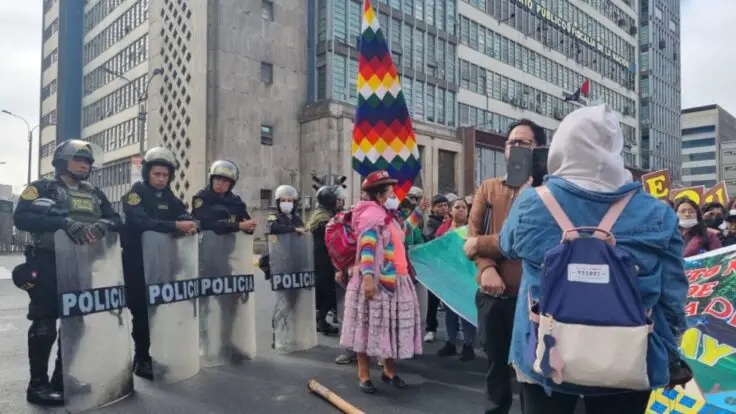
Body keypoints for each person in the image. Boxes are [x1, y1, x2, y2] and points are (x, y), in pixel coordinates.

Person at [498, 105, 689, 413]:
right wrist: (672, 344)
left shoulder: (531, 203)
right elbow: (673, 292)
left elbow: (507, 246)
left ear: (561, 147)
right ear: (615, 151)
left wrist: (525, 192)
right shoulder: (658, 213)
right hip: (628, 356)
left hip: (544, 352)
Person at [13, 140, 122, 406]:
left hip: (82, 263)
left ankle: (63, 379)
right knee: (45, 322)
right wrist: (62, 222)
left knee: (76, 322)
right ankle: (37, 386)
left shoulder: (95, 193)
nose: (84, 165)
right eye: (78, 160)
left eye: (87, 162)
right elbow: (22, 217)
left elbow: (118, 220)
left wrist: (103, 224)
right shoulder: (42, 188)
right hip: (47, 261)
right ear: (62, 162)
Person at [463, 118, 547, 414]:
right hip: (494, 295)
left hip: (537, 299)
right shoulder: (488, 188)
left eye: (523, 142)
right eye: (511, 142)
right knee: (495, 367)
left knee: (533, 372)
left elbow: (527, 240)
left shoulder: (548, 191)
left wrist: (480, 245)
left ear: (539, 149)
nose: (515, 147)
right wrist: (486, 268)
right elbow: (472, 236)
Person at [340, 170, 426, 393]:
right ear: (379, 196)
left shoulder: (389, 217)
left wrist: (419, 212)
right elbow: (367, 248)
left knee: (391, 329)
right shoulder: (372, 217)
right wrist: (368, 278)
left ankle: (389, 372)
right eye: (390, 192)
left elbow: (403, 233)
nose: (394, 196)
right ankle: (364, 375)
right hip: (377, 282)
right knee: (367, 328)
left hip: (397, 280)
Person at [121, 146, 198, 380]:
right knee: (142, 313)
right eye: (157, 174)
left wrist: (189, 224)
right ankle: (141, 358)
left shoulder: (169, 197)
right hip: (137, 264)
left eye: (165, 175)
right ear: (147, 173)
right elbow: (142, 222)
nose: (161, 179)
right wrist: (174, 226)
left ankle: (162, 353)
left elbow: (183, 214)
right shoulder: (135, 194)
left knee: (162, 311)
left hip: (164, 263)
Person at [435, 198, 476, 361]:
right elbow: (436, 247)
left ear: (468, 211)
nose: (459, 210)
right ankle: (450, 342)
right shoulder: (443, 229)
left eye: (463, 207)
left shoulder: (473, 229)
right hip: (448, 277)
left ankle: (468, 345)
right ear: (451, 211)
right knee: (450, 312)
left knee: (467, 311)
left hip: (468, 277)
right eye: (456, 207)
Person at [306, 185, 341, 335]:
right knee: (329, 293)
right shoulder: (323, 218)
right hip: (322, 260)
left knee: (326, 293)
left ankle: (320, 320)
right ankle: (321, 321)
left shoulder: (321, 213)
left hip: (321, 258)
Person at [192, 160, 256, 235]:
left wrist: (250, 226)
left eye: (225, 181)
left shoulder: (236, 202)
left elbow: (247, 224)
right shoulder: (201, 198)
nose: (220, 183)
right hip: (203, 242)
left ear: (231, 184)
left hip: (228, 245)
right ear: (212, 179)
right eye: (217, 179)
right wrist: (238, 226)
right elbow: (207, 223)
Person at [422, 194, 449, 342]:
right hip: (434, 266)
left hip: (449, 265)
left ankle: (454, 330)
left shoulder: (452, 221)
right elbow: (432, 240)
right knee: (432, 300)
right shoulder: (430, 223)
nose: (444, 208)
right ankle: (431, 328)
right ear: (433, 208)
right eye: (440, 206)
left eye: (445, 205)